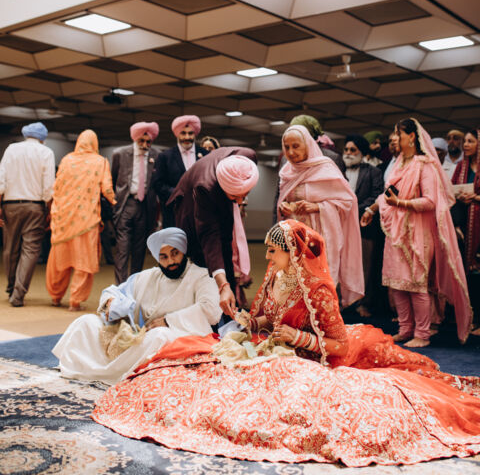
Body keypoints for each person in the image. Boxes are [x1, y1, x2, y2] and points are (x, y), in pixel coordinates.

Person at [92, 220, 480, 466]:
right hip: (273, 349)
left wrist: (297, 337)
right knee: (206, 370)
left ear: (292, 253)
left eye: (273, 251)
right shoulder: (275, 277)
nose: (267, 257)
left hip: (312, 358)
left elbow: (338, 344)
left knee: (280, 397)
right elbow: (266, 318)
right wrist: (250, 320)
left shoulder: (318, 289)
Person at [52, 227, 221, 385]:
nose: (171, 261)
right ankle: (90, 370)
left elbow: (211, 310)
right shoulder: (148, 277)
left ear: (183, 251)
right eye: (163, 257)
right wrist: (110, 303)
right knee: (86, 322)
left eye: (175, 254)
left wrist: (169, 321)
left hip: (177, 336)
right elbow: (113, 292)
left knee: (159, 335)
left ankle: (117, 375)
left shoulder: (201, 276)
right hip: (140, 338)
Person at [361, 118, 471, 347]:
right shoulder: (399, 163)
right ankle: (405, 329)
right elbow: (387, 194)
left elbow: (431, 201)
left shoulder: (425, 165)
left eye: (398, 133)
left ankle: (422, 334)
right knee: (398, 284)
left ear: (411, 136)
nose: (394, 138)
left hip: (417, 233)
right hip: (395, 233)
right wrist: (371, 210)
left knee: (416, 285)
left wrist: (401, 204)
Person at [278, 124, 363, 307]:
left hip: (319, 239)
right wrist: (284, 207)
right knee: (295, 287)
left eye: (296, 146)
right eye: (287, 147)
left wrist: (317, 207)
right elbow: (285, 200)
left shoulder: (325, 168)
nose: (291, 152)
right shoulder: (287, 172)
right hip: (294, 240)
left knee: (318, 289)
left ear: (308, 145)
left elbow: (348, 201)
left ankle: (322, 322)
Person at [168, 147, 258, 318]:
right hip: (189, 206)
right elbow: (210, 237)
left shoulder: (247, 159)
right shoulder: (205, 188)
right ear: (223, 188)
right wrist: (222, 284)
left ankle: (230, 311)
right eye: (235, 197)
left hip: (218, 196)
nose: (240, 202)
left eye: (244, 194)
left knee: (226, 249)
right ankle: (209, 314)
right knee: (203, 259)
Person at [46, 130, 116, 311]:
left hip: (63, 219)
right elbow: (107, 189)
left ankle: (55, 297)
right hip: (87, 221)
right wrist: (115, 202)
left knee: (60, 261)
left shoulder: (66, 160)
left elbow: (56, 187)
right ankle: (75, 302)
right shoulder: (100, 162)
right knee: (83, 262)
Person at [0, 122, 55, 307]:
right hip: (35, 206)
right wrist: (49, 210)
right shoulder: (46, 152)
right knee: (30, 250)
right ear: (43, 138)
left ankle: (11, 287)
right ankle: (18, 294)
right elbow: (49, 187)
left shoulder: (11, 149)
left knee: (10, 248)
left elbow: (1, 180)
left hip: (10, 205)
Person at [111, 121, 160, 284]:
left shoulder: (156, 155)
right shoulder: (120, 154)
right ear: (135, 138)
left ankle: (134, 286)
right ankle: (120, 287)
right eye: (141, 141)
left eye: (148, 142)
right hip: (125, 204)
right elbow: (113, 180)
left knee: (139, 250)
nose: (145, 145)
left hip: (145, 206)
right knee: (122, 249)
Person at [342, 134, 384, 316]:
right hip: (341, 227)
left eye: (353, 150)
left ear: (362, 152)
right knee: (342, 265)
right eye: (346, 149)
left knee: (365, 266)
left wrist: (353, 210)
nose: (348, 153)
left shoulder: (373, 172)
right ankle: (341, 301)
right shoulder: (338, 171)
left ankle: (363, 304)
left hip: (364, 227)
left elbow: (376, 196)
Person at [153, 115, 208, 228]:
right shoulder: (165, 157)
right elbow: (158, 184)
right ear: (177, 134)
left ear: (195, 134)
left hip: (200, 212)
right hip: (173, 212)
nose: (187, 137)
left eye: (190, 133)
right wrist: (178, 194)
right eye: (183, 133)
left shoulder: (206, 155)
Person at [452, 128, 480, 335]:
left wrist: (476, 198)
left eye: (471, 141)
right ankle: (470, 318)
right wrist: (459, 196)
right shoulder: (461, 167)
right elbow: (450, 190)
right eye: (466, 142)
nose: (466, 145)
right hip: (464, 225)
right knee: (468, 274)